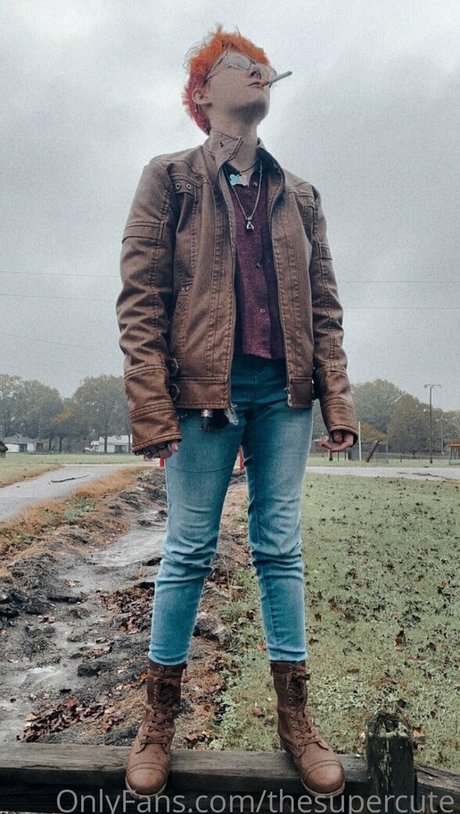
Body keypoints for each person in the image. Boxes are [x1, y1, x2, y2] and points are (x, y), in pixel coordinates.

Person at [116, 26, 358, 801]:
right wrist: (153, 411)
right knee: (188, 549)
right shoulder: (169, 180)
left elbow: (325, 308)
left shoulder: (301, 196)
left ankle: (297, 722)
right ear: (202, 95)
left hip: (284, 397)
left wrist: (336, 399)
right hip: (201, 398)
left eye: (261, 65)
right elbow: (141, 302)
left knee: (279, 549)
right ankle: (158, 723)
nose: (257, 71)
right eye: (235, 65)